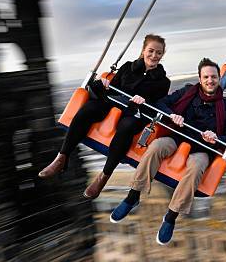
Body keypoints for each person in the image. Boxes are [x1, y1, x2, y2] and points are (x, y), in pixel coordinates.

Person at [108, 58, 226, 245]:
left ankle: (170, 216)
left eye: (214, 77)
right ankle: (133, 196)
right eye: (206, 77)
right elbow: (162, 103)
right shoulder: (187, 92)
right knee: (156, 147)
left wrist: (215, 137)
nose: (210, 80)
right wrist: (172, 114)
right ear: (200, 79)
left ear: (219, 79)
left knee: (196, 168)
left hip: (202, 147)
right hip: (179, 137)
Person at [38, 34, 171, 199]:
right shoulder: (128, 67)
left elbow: (156, 105)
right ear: (143, 50)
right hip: (115, 103)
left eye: (158, 53)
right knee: (88, 110)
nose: (154, 56)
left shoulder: (163, 82)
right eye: (151, 51)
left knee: (126, 127)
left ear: (162, 55)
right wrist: (105, 84)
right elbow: (114, 90)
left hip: (136, 112)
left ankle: (103, 177)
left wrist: (144, 101)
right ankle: (62, 157)